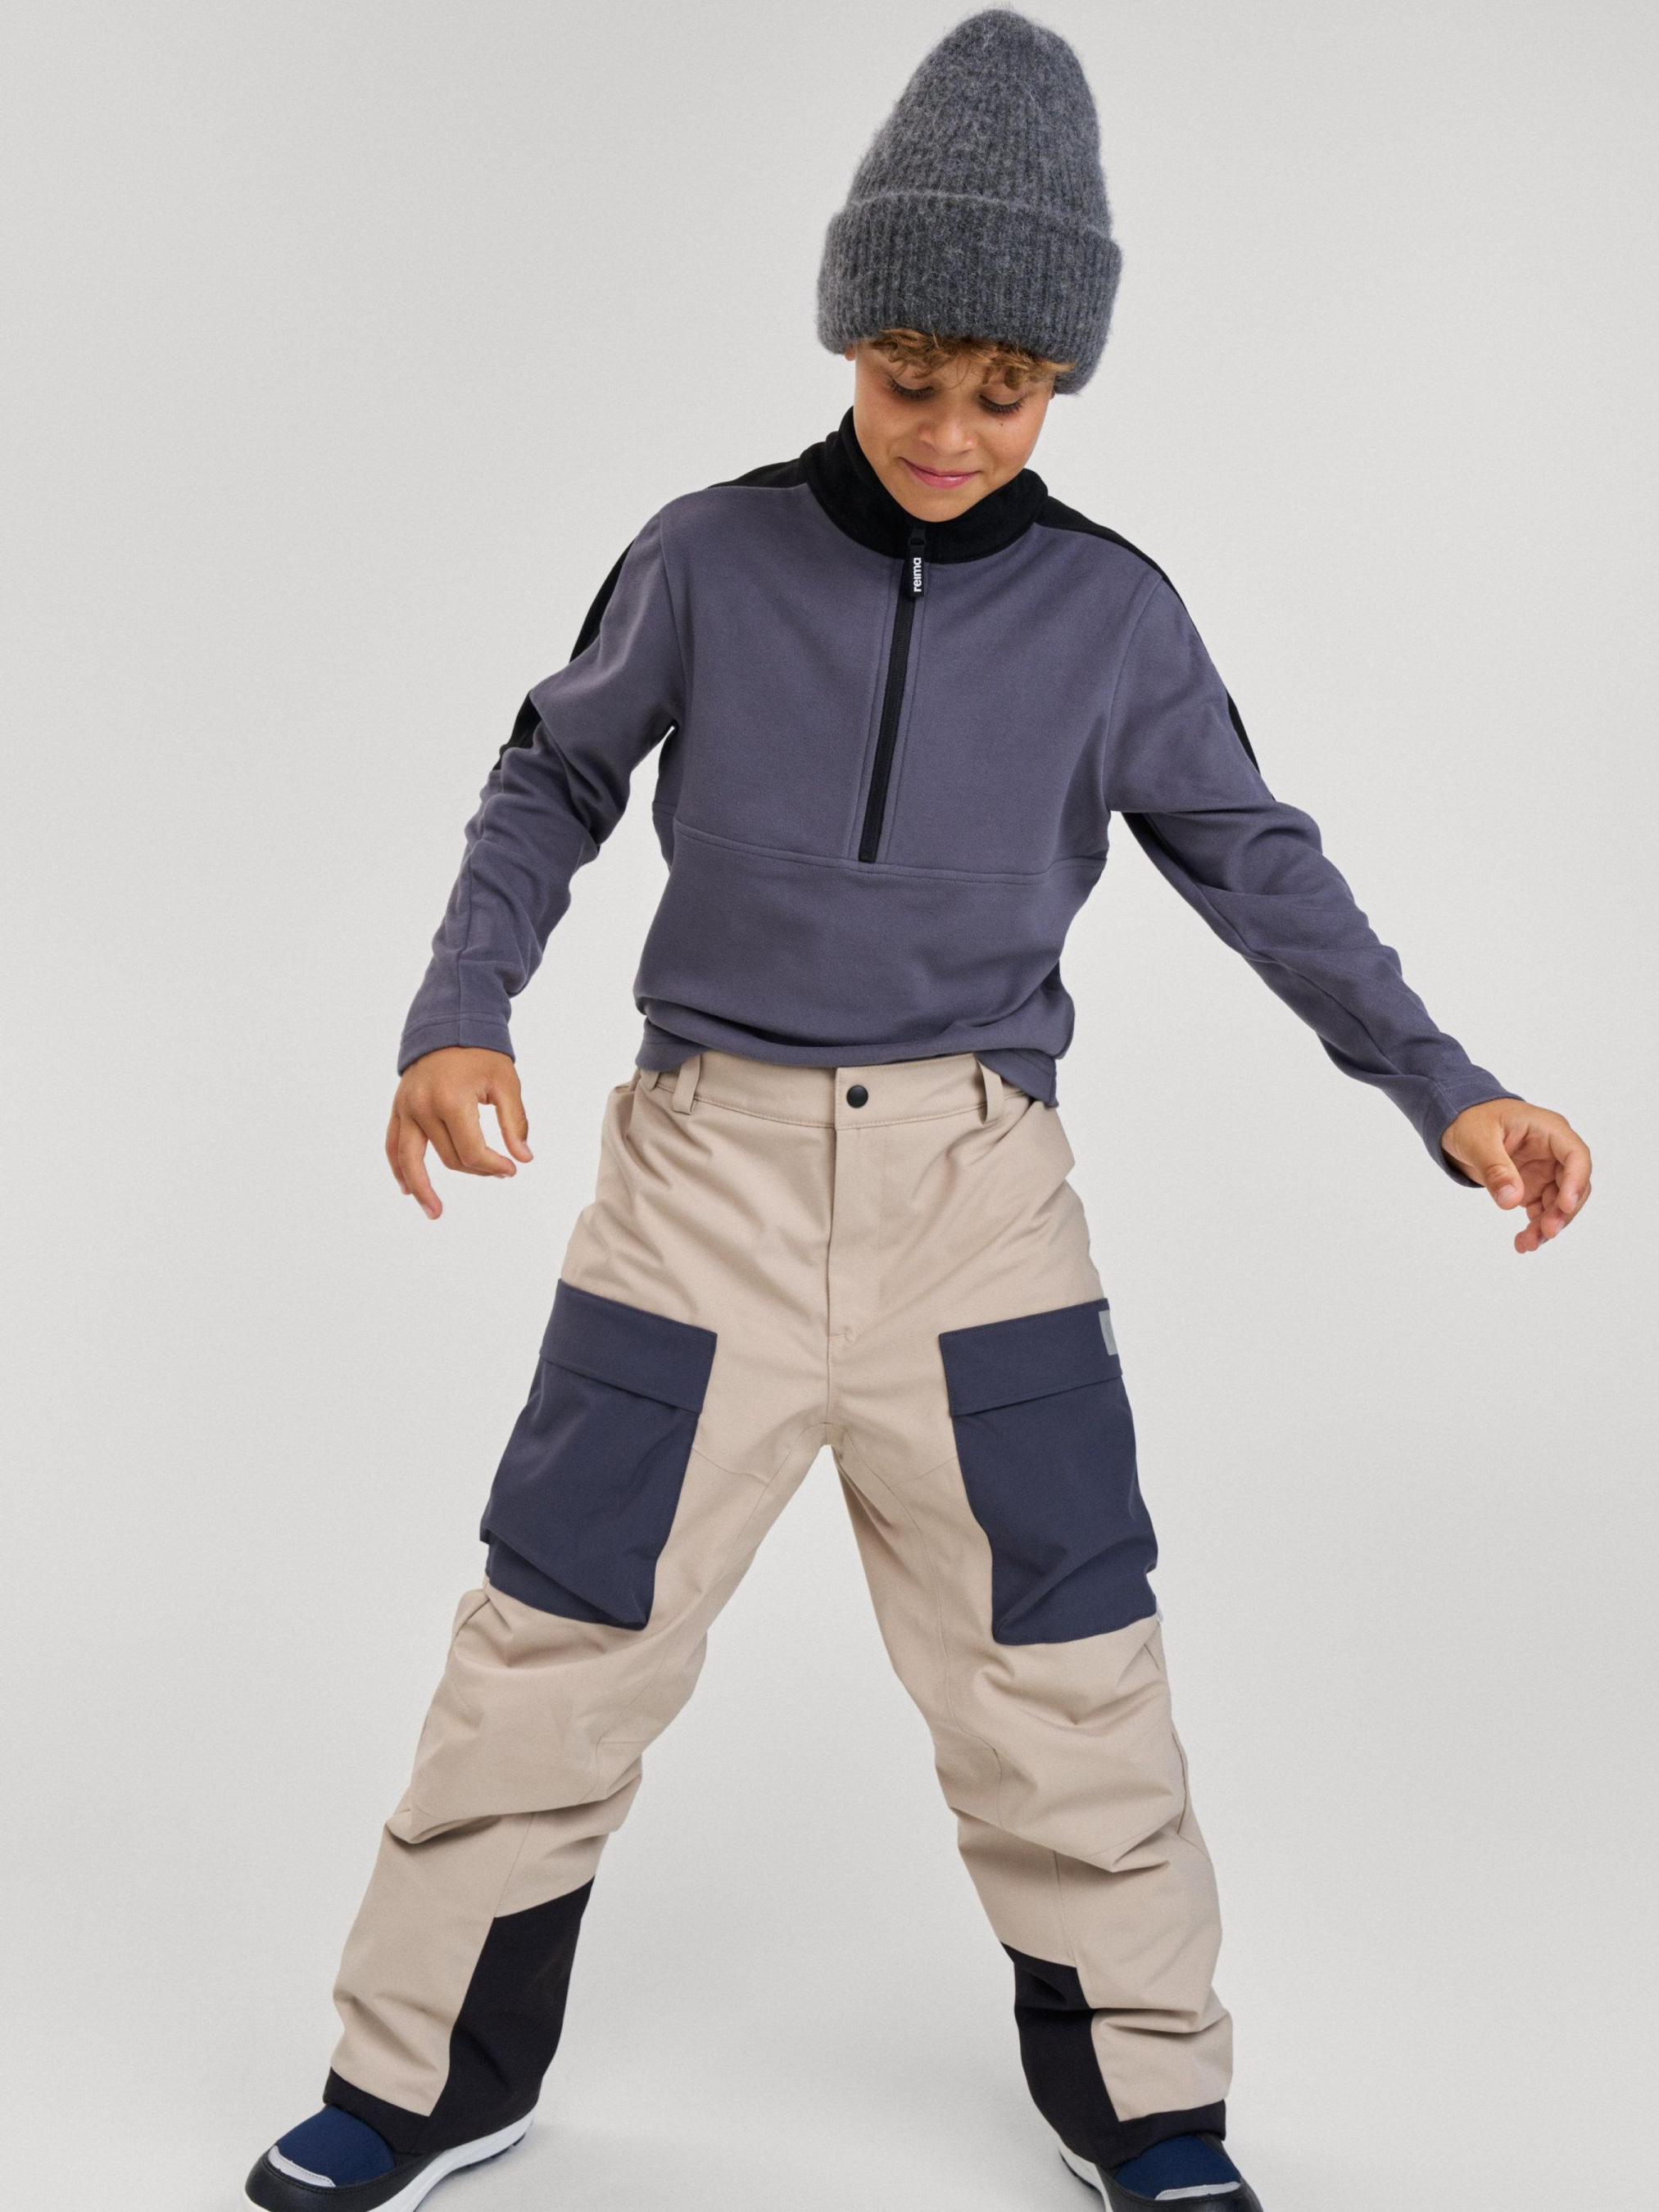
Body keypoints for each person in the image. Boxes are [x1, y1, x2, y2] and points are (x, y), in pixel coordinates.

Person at [244, 13, 1591, 2210]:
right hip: (700, 1187)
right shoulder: (708, 554)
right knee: (551, 1646)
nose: (952, 429)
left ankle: (1146, 2107)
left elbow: (1255, 858)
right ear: (847, 342)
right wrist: (455, 1009)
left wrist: (1449, 1086)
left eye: (1006, 388)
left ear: (1060, 384)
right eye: (908, 374)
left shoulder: (1111, 614)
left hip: (979, 1201)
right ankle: (418, 2081)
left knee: (1064, 1668)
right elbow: (550, 773)